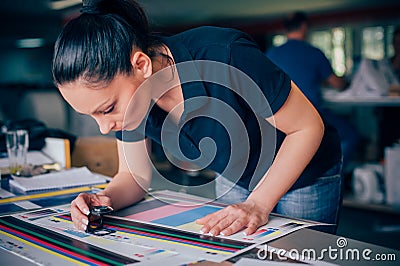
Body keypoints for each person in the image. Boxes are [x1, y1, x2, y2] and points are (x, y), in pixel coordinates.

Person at [53, 0, 343, 236]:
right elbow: (134, 176)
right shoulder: (130, 104)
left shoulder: (225, 55)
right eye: (92, 116)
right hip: (236, 175)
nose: (105, 127)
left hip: (304, 172)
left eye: (107, 109)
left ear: (140, 65)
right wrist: (105, 200)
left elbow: (306, 128)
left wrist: (257, 202)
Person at [266, 11, 359, 174]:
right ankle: (332, 174)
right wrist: (349, 81)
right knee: (351, 135)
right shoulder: (313, 53)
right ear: (304, 27)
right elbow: (338, 85)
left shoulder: (271, 54)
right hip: (311, 115)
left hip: (279, 118)